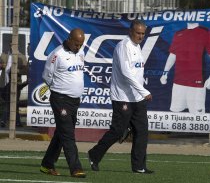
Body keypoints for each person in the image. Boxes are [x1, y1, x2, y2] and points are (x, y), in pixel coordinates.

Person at [88, 19, 154, 174]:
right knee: (118, 131)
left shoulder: (137, 47)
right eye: (138, 33)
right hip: (122, 97)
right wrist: (144, 90)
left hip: (137, 98)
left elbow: (137, 73)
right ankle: (94, 154)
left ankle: (138, 166)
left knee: (142, 131)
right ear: (130, 31)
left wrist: (140, 93)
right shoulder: (123, 46)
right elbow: (126, 74)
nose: (140, 36)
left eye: (143, 33)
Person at [40, 28, 86, 178]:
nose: (78, 47)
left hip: (75, 101)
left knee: (61, 133)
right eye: (76, 44)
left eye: (81, 44)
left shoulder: (80, 53)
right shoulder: (57, 54)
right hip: (61, 99)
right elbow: (47, 76)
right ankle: (75, 168)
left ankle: (47, 165)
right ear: (69, 39)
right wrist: (59, 89)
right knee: (68, 135)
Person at [160, 23, 210, 114]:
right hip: (178, 82)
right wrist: (164, 74)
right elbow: (172, 55)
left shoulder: (205, 32)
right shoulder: (178, 34)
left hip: (197, 83)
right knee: (175, 113)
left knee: (197, 116)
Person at [0, 43, 28, 128]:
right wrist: (2, 66)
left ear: (17, 46)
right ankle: (6, 121)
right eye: (11, 45)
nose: (12, 47)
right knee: (6, 103)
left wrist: (16, 70)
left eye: (14, 45)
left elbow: (25, 71)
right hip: (4, 82)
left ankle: (13, 121)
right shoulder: (4, 55)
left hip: (16, 83)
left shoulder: (22, 57)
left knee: (14, 103)